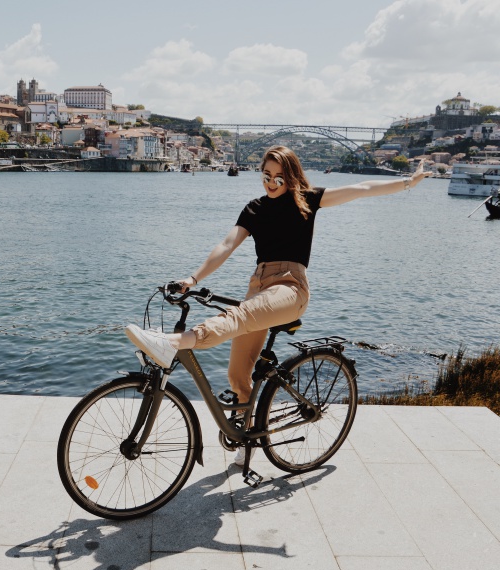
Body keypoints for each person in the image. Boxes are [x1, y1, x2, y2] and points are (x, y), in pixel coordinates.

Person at [125, 145, 427, 463]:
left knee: (237, 316)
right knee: (237, 376)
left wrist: (409, 182)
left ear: (291, 177)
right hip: (259, 286)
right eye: (266, 176)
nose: (270, 183)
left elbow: (361, 189)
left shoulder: (306, 200)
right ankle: (246, 436)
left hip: (291, 287)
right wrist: (192, 279)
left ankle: (173, 343)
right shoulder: (254, 209)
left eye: (278, 178)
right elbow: (227, 244)